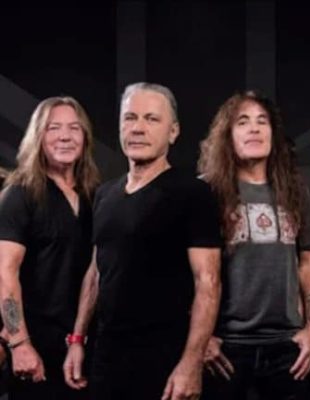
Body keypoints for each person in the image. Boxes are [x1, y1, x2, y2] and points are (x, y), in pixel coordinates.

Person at [63, 82, 222, 400]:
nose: (138, 128)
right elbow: (96, 272)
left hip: (164, 360)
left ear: (173, 132)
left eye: (151, 119)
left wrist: (191, 364)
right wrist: (77, 339)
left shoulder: (192, 193)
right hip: (106, 357)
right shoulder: (105, 194)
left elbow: (208, 282)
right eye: (130, 118)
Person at [198, 90, 310, 400]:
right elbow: (187, 273)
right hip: (225, 350)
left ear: (272, 134)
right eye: (243, 122)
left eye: (262, 121)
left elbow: (308, 261)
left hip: (286, 348)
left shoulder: (294, 189)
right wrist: (202, 339)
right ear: (228, 136)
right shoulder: (207, 192)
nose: (254, 128)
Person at [0, 96, 99, 399]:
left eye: (74, 128)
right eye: (53, 128)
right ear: (38, 137)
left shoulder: (96, 195)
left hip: (85, 346)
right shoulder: (20, 195)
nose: (65, 136)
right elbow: (4, 273)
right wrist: (19, 343)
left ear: (85, 137)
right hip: (36, 350)